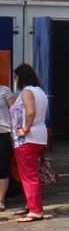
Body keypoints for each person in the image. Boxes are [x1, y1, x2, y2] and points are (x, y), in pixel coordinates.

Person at [9, 63, 49, 222]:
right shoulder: (40, 91)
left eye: (16, 77)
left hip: (28, 138)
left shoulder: (27, 92)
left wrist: (25, 129)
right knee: (31, 173)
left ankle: (35, 210)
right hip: (39, 136)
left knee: (28, 174)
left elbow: (30, 112)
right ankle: (31, 204)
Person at [0, 82, 15, 212]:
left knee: (2, 167)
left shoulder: (5, 91)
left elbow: (15, 111)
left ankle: (0, 200)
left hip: (4, 134)